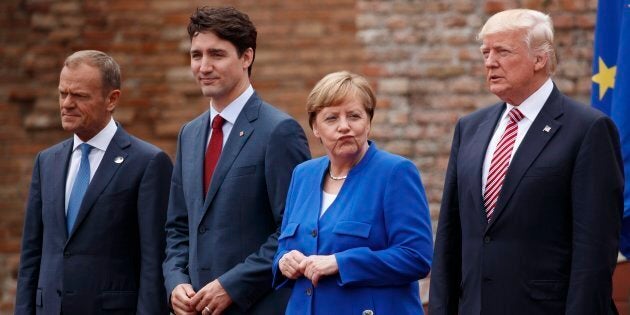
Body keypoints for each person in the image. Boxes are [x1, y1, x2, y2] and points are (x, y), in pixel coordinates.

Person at [429, 9, 624, 315]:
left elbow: (594, 252)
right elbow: (449, 238)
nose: (490, 62)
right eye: (485, 52)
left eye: (503, 51)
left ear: (540, 58)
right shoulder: (470, 128)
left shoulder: (587, 130)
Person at [162, 6, 311, 315]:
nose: (204, 66)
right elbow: (178, 227)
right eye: (196, 55)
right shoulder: (188, 135)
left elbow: (293, 231)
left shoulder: (279, 132)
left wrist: (232, 285)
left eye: (216, 54)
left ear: (247, 57)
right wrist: (176, 282)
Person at [14, 50, 173, 314]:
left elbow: (154, 261)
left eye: (79, 96)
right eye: (63, 93)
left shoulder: (149, 163)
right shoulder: (46, 161)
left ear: (112, 99)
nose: (66, 104)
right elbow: (32, 253)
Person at [272, 71, 433, 314]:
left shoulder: (395, 172)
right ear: (315, 127)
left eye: (354, 116)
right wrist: (284, 261)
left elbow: (416, 257)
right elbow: (285, 246)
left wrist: (340, 262)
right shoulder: (303, 175)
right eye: (331, 118)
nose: (344, 126)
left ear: (368, 122)